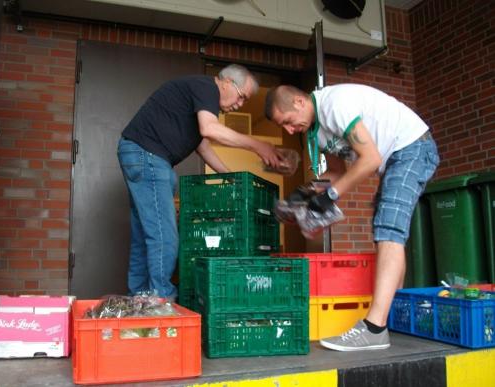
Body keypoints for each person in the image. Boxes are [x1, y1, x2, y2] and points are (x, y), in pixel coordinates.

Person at [265, 83, 439, 351]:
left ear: (299, 102)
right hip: (395, 159)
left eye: (288, 122)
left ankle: (375, 328)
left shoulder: (335, 105)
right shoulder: (316, 132)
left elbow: (369, 159)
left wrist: (329, 197)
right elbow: (337, 173)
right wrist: (301, 196)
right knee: (386, 230)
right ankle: (394, 317)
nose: (288, 130)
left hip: (412, 148)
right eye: (283, 127)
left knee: (388, 230)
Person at [118, 64, 282, 299]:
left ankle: (141, 298)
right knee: (164, 234)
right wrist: (256, 144)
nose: (240, 104)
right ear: (226, 82)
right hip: (148, 156)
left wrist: (230, 177)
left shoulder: (197, 97)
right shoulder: (207, 88)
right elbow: (210, 130)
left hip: (142, 155)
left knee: (145, 233)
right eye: (242, 96)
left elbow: (203, 147)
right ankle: (160, 300)